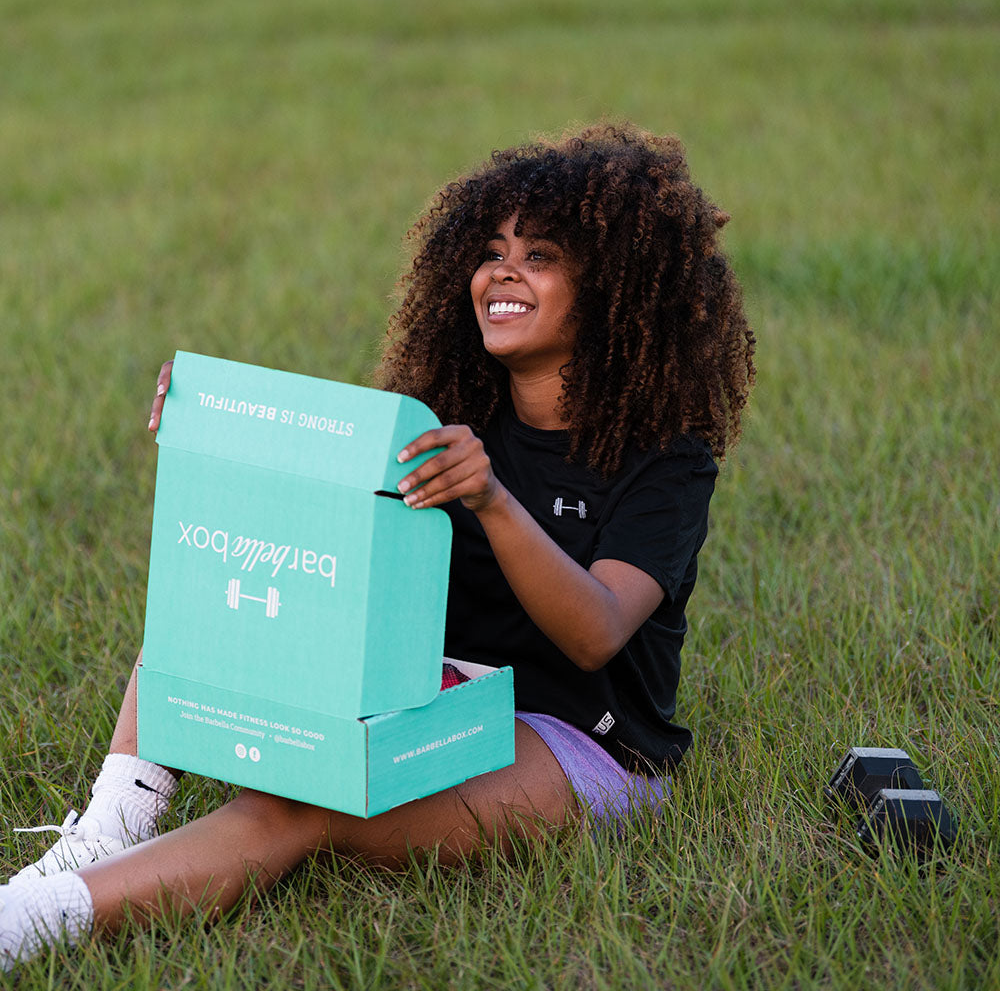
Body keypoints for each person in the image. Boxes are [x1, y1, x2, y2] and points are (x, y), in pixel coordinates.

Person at [0, 123, 755, 970]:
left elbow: (597, 632)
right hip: (429, 693)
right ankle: (111, 824)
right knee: (211, 599)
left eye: (540, 256)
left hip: (576, 737)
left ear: (616, 289)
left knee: (308, 807)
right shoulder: (441, 414)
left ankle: (24, 923)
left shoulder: (667, 458)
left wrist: (491, 499)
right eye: (491, 252)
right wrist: (210, 422)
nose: (502, 272)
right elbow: (309, 527)